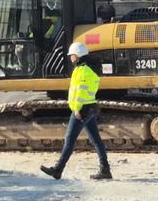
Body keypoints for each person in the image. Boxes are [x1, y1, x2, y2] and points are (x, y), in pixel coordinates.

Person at [41, 42, 111, 180]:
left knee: (69, 141)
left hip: (82, 108)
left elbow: (81, 91)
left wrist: (77, 108)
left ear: (78, 55)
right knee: (96, 140)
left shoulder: (82, 70)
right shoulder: (88, 69)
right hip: (90, 106)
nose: (70, 58)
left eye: (72, 55)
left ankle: (58, 170)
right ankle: (105, 170)